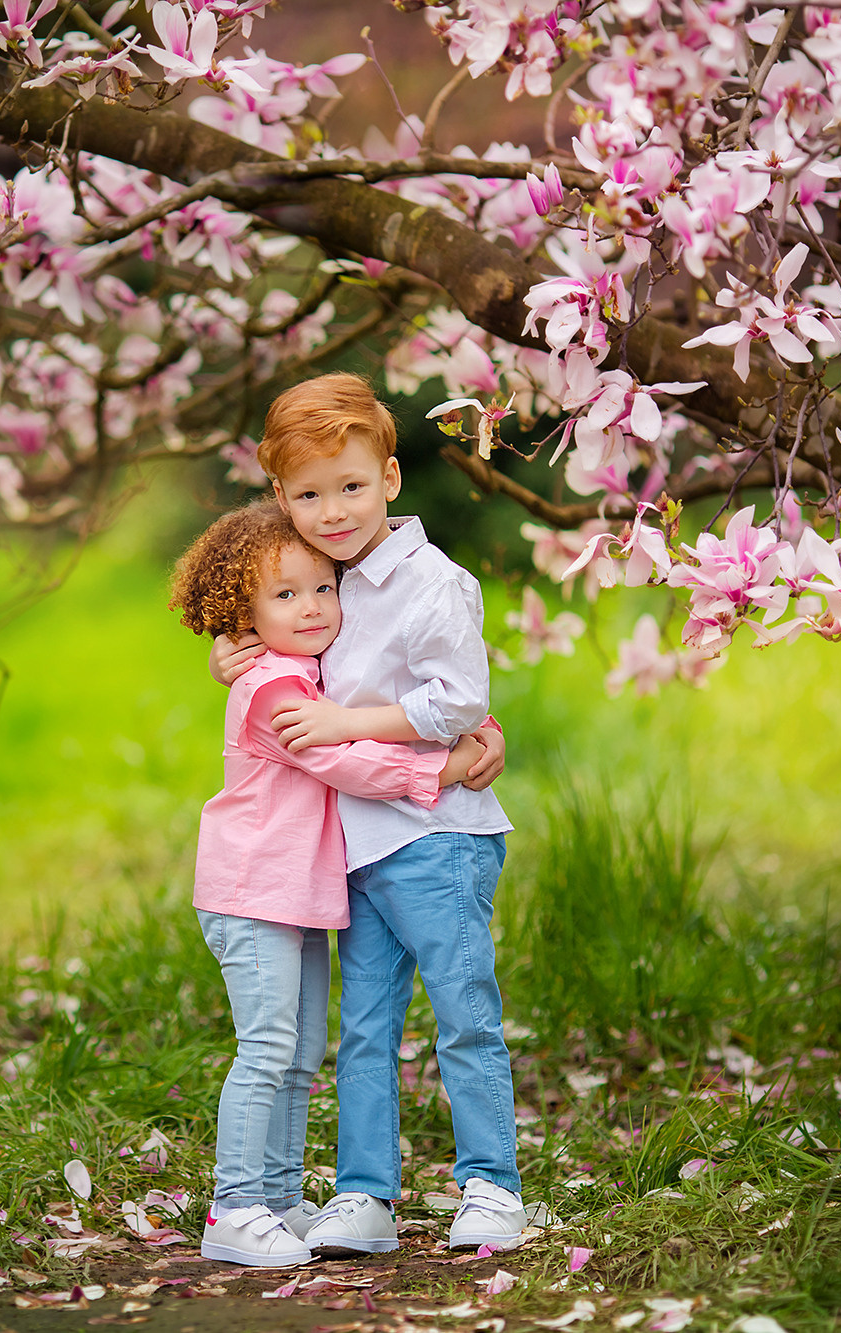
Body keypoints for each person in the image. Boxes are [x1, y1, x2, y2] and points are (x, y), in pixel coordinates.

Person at [213, 372, 543, 1255]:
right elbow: (276, 645)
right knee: (365, 1026)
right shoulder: (320, 579)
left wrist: (354, 724)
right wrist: (229, 658)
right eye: (311, 494)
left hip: (440, 838)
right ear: (281, 496)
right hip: (354, 848)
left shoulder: (431, 581)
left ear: (391, 480)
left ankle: (491, 1184)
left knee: (464, 1009)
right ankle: (365, 1192)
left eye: (352, 486)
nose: (334, 509)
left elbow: (457, 699)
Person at [172, 499, 493, 1268]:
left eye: (324, 588)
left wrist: (485, 731)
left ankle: (280, 1196)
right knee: (268, 1045)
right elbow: (341, 758)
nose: (312, 607)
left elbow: (390, 693)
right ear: (242, 613)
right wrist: (440, 770)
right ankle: (237, 1203)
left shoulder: (308, 666)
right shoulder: (273, 687)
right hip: (252, 890)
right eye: (285, 596)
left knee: (300, 1048)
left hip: (299, 893)